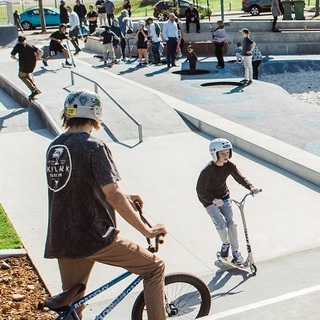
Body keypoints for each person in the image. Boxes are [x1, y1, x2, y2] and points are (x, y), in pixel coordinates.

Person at [44, 89, 167, 320]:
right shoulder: (94, 145)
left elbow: (76, 188)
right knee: (154, 268)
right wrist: (146, 230)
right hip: (94, 236)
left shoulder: (55, 146)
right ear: (97, 114)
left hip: (61, 238)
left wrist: (125, 197)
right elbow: (112, 193)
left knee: (73, 304)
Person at [196, 138, 260, 265]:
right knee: (221, 225)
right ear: (215, 154)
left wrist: (251, 187)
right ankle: (226, 244)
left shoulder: (230, 166)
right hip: (208, 200)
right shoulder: (208, 170)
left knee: (231, 224)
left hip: (224, 197)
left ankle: (236, 252)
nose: (226, 156)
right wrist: (213, 200)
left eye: (228, 153)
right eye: (222, 153)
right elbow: (200, 190)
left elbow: (240, 178)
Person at [10, 36, 43, 101]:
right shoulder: (30, 45)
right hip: (32, 63)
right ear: (25, 39)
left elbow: (12, 56)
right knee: (27, 75)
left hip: (24, 63)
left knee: (21, 76)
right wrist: (37, 58)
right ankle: (35, 89)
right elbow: (41, 51)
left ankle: (33, 90)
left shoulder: (18, 45)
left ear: (19, 41)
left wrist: (17, 59)